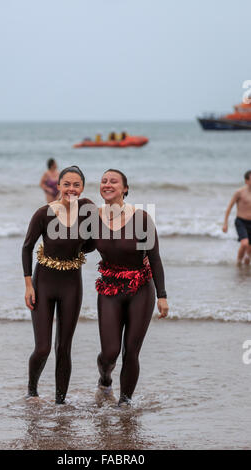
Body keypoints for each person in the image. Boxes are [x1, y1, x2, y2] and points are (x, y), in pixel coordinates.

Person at [92, 169, 169, 407]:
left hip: (140, 289)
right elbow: (77, 247)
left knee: (131, 351)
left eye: (113, 181)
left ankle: (125, 402)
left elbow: (155, 258)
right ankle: (105, 382)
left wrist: (162, 296)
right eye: (104, 181)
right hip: (109, 290)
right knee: (110, 352)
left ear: (125, 188)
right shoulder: (91, 218)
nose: (107, 184)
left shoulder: (142, 218)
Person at [22, 166, 95, 404]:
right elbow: (27, 247)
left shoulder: (87, 212)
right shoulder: (44, 213)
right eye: (67, 184)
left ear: (82, 187)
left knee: (64, 347)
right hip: (43, 283)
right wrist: (28, 285)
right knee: (43, 348)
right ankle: (32, 392)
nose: (71, 189)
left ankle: (60, 402)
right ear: (59, 186)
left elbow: (96, 242)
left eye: (76, 185)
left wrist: (77, 249)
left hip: (72, 284)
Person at [223, 170, 251, 265]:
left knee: (249, 251)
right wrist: (225, 224)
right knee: (244, 244)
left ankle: (245, 270)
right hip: (241, 221)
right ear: (246, 181)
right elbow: (229, 207)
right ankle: (238, 263)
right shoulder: (239, 192)